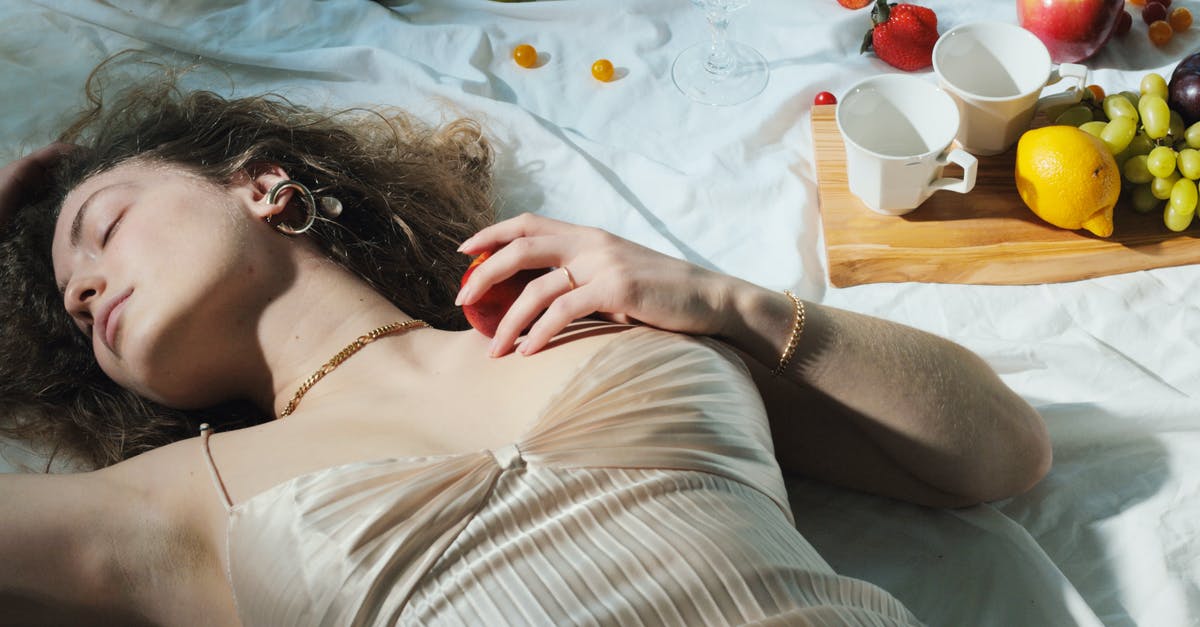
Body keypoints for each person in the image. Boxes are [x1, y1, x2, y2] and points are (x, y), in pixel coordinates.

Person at [0, 69, 1050, 626]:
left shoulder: (600, 319)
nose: (85, 284)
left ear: (263, 184)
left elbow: (998, 454)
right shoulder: (168, 505)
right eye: (71, 300)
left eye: (102, 226)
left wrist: (722, 299)